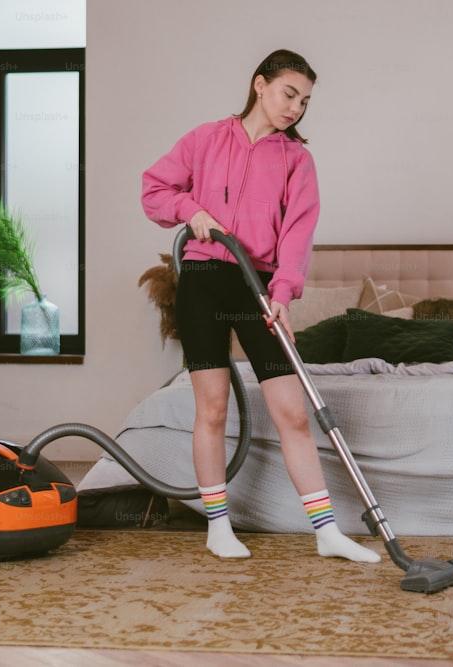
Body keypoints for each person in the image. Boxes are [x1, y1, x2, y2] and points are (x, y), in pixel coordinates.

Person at [141, 49, 379, 563]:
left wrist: (283, 294)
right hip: (204, 279)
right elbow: (154, 190)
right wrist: (191, 209)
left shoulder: (298, 160)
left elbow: (298, 234)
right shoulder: (205, 139)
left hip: (259, 287)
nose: (296, 107)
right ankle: (218, 528)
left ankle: (326, 532)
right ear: (259, 85)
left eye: (306, 101)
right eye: (289, 93)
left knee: (292, 412)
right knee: (213, 407)